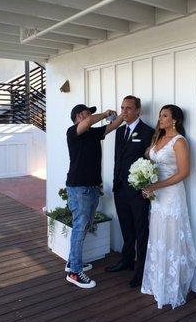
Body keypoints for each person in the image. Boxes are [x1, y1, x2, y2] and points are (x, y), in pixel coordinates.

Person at [141, 104, 196, 308]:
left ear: (175, 120)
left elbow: (183, 172)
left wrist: (156, 185)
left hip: (172, 194)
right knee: (158, 236)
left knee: (171, 236)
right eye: (160, 115)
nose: (160, 119)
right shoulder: (158, 138)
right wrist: (144, 181)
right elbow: (151, 164)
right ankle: (157, 282)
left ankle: (171, 287)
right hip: (157, 195)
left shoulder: (179, 141)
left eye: (165, 116)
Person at [65, 104, 123, 289]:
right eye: (87, 112)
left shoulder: (92, 134)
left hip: (91, 188)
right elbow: (91, 121)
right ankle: (74, 272)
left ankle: (72, 262)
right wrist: (106, 113)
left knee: (84, 225)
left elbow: (111, 127)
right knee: (80, 227)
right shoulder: (72, 132)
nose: (90, 115)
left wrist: (122, 115)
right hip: (79, 188)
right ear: (79, 116)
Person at [105, 95, 154, 288]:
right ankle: (126, 261)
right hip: (120, 189)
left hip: (137, 192)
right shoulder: (120, 132)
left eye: (128, 108)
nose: (124, 112)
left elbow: (150, 162)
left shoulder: (148, 132)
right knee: (126, 229)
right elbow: (118, 160)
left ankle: (140, 271)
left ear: (138, 111)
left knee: (141, 232)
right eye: (122, 108)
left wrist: (145, 187)